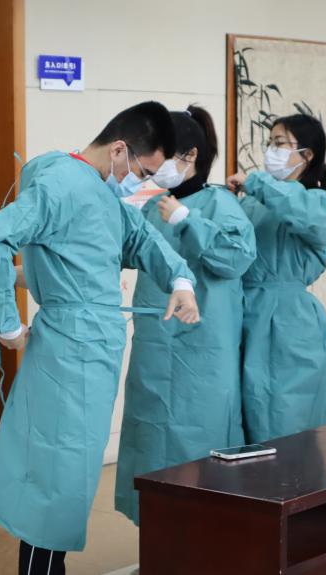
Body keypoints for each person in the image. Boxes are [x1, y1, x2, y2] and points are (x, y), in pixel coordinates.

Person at [0, 101, 200, 575]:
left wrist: (180, 279)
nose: (142, 182)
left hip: (88, 351)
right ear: (119, 150)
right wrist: (6, 323)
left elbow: (139, 239)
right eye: (143, 171)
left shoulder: (99, 192)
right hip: (68, 354)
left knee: (68, 481)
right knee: (56, 482)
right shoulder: (63, 184)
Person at [114, 106, 257, 525]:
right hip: (155, 350)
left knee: (201, 449)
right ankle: (159, 543)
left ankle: (201, 546)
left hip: (204, 353)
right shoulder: (150, 200)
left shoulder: (220, 203)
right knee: (150, 443)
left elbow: (237, 258)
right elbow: (125, 246)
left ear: (189, 155)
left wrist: (187, 220)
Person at [227, 114, 326, 444]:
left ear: (307, 155)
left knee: (284, 418)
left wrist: (255, 183)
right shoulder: (254, 201)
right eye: (269, 142)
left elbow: (297, 209)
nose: (271, 150)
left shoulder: (318, 202)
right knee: (245, 417)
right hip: (245, 312)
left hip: (289, 323)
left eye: (280, 143)